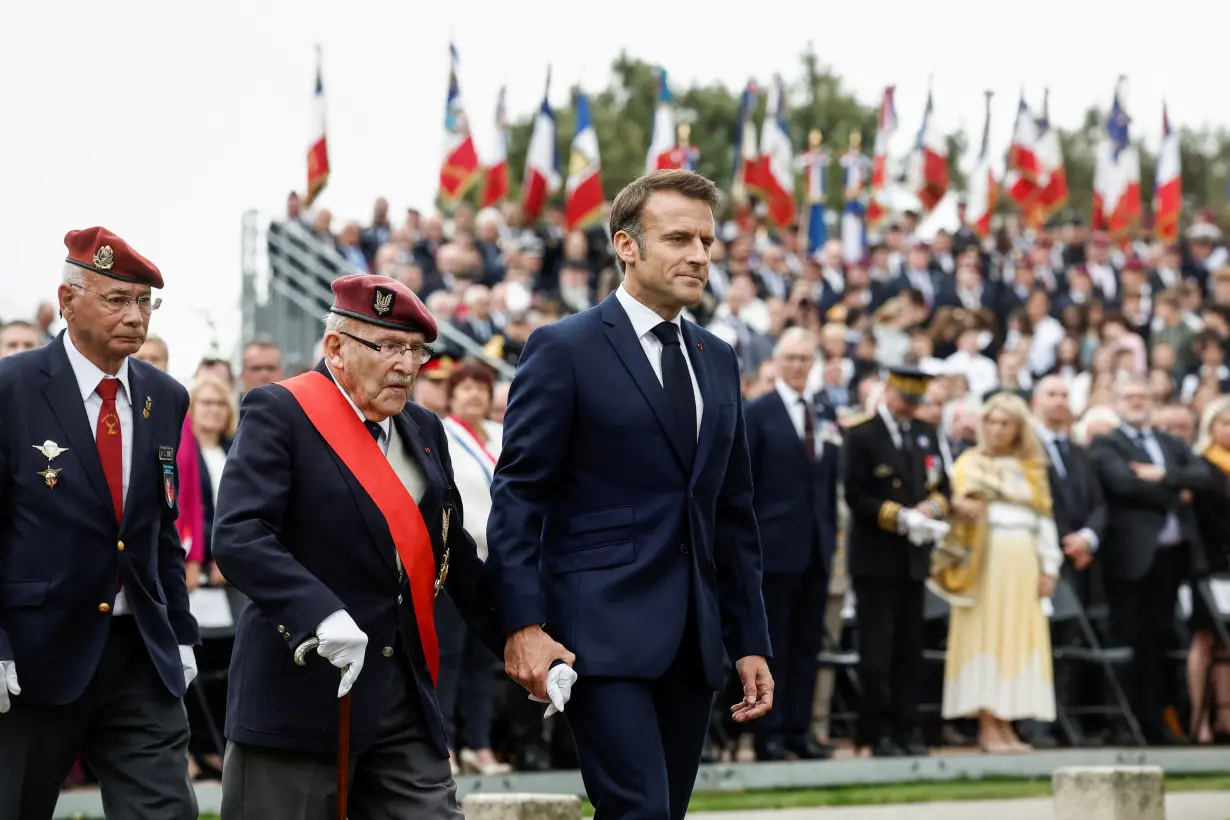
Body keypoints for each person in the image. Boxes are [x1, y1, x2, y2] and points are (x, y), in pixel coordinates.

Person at [212, 274, 574, 819]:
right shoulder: (280, 412)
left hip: (401, 701)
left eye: (415, 349)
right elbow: (239, 534)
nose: (406, 364)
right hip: (301, 696)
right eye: (387, 346)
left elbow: (454, 560)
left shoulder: (424, 427)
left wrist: (526, 637)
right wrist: (318, 613)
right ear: (335, 347)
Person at [488, 169, 773, 820]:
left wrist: (750, 639)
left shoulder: (718, 357)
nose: (699, 255)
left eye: (706, 241)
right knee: (638, 811)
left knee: (659, 813)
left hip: (694, 641)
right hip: (599, 634)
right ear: (626, 246)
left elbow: (732, 514)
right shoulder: (563, 349)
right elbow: (518, 499)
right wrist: (522, 626)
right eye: (678, 238)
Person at [0, 227, 199, 819]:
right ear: (67, 301)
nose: (135, 317)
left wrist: (181, 631)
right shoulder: (12, 389)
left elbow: (160, 529)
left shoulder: (164, 396)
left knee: (164, 811)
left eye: (144, 302)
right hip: (33, 657)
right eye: (116, 300)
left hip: (138, 652)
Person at [938, 393, 1062, 752]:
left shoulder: (1031, 470)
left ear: (1018, 428)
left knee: (1017, 638)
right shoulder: (968, 463)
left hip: (1023, 562)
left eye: (1004, 422)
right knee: (985, 635)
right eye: (990, 421)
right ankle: (987, 725)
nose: (996, 429)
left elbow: (1045, 521)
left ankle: (1007, 725)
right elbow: (956, 505)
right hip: (983, 563)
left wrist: (1049, 568)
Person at [1091, 375, 1210, 745]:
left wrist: (1163, 475)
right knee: (1128, 639)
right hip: (1129, 559)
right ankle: (1123, 724)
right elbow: (1122, 484)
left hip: (1172, 558)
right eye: (1129, 395)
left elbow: (1202, 475)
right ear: (1117, 401)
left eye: (1142, 395)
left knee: (1159, 640)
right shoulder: (1107, 443)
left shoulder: (1169, 441)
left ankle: (1154, 721)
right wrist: (1176, 495)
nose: (1137, 401)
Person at [843, 365, 951, 757]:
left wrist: (931, 509)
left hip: (914, 557)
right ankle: (876, 729)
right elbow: (857, 495)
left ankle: (907, 727)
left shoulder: (925, 433)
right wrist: (900, 516)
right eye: (906, 399)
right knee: (877, 651)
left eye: (916, 402)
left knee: (910, 649)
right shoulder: (862, 433)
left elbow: (943, 487)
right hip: (877, 556)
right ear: (889, 393)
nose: (911, 408)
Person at [744, 327, 838, 761]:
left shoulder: (821, 413)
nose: (799, 366)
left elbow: (827, 484)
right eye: (792, 359)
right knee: (774, 645)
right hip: (775, 548)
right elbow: (746, 485)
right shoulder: (759, 412)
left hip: (816, 548)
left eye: (806, 359)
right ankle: (771, 735)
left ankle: (800, 731)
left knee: (807, 645)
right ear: (778, 362)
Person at [437, 361, 510, 776]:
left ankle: (479, 745)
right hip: (454, 563)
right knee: (447, 656)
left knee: (483, 659)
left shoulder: (502, 436)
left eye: (480, 388)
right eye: (464, 388)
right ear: (451, 394)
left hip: (496, 564)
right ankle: (444, 742)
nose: (474, 395)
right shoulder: (440, 433)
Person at [1026, 374, 1107, 747]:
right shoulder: (1025, 451)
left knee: (1070, 641)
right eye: (1051, 394)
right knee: (1038, 641)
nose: (1059, 400)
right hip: (1040, 561)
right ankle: (1035, 721)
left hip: (1079, 563)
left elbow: (1098, 503)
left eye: (1064, 395)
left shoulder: (1080, 452)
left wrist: (1088, 537)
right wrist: (1062, 543)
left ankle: (1065, 719)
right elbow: (1035, 504)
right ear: (1035, 403)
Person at [1187, 395, 1230, 744]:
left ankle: (1226, 717)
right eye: (1224, 423)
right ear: (1211, 427)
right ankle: (1199, 719)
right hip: (1209, 565)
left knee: (1227, 644)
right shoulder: (1201, 467)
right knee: (1204, 639)